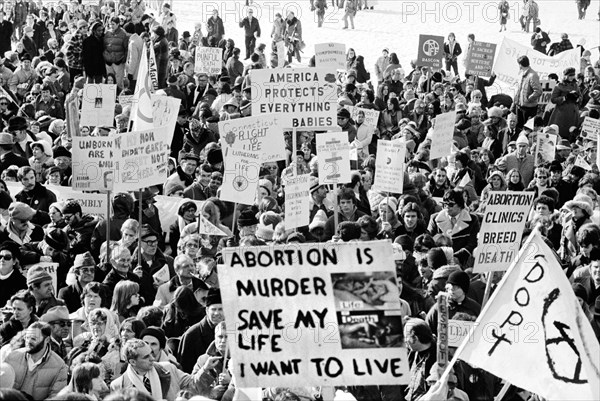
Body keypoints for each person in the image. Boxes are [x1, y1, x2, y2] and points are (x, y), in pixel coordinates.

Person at [110, 338, 204, 399]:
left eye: (151, 353)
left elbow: (193, 384)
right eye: (146, 357)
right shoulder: (118, 385)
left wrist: (205, 369)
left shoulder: (168, 368)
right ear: (133, 362)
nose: (152, 358)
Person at [4, 321, 68, 400]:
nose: (28, 342)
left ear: (47, 340)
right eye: (27, 337)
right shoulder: (12, 356)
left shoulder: (59, 366)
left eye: (33, 338)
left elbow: (57, 397)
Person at [178, 290, 224, 373]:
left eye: (221, 309)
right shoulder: (191, 335)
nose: (217, 313)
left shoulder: (234, 331)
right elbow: (185, 371)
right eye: (213, 309)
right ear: (206, 310)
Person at [427, 190, 480, 254]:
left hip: (463, 260)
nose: (447, 207)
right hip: (439, 257)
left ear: (460, 205)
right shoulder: (434, 218)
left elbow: (473, 243)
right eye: (444, 204)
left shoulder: (473, 219)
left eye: (450, 204)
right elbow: (429, 242)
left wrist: (457, 256)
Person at [404, 318, 436, 401]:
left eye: (406, 337)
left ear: (415, 338)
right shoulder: (411, 353)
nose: (404, 341)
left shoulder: (438, 360)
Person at [548, 67, 581, 139]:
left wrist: (577, 98)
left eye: (573, 75)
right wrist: (565, 98)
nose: (572, 77)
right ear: (565, 76)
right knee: (561, 133)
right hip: (562, 114)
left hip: (573, 112)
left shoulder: (576, 85)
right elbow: (553, 99)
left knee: (573, 133)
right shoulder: (559, 86)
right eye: (570, 75)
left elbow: (580, 98)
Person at [512, 55, 542, 132]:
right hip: (520, 106)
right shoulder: (522, 74)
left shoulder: (532, 75)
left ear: (520, 64)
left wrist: (528, 99)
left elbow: (538, 91)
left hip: (528, 108)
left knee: (527, 129)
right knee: (519, 127)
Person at [0, 241, 27, 308]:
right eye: (0, 257)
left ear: (14, 261)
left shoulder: (21, 282)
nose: (2, 260)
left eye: (7, 257)